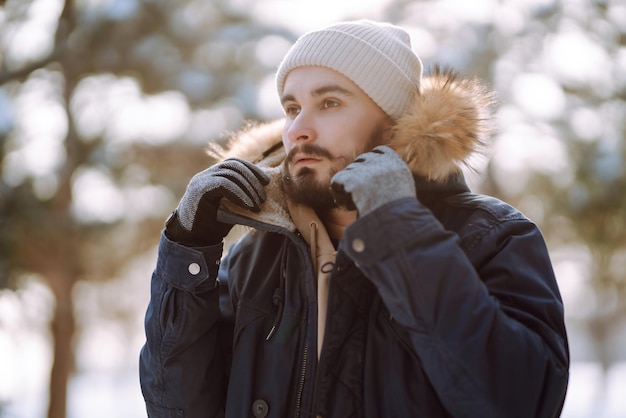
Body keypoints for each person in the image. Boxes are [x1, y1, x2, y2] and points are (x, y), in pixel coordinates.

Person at [139, 20, 569, 418]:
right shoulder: (255, 256)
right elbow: (176, 407)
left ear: (394, 123)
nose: (297, 130)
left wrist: (397, 228)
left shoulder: (493, 238)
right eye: (291, 108)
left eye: (328, 103)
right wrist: (189, 248)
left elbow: (523, 403)